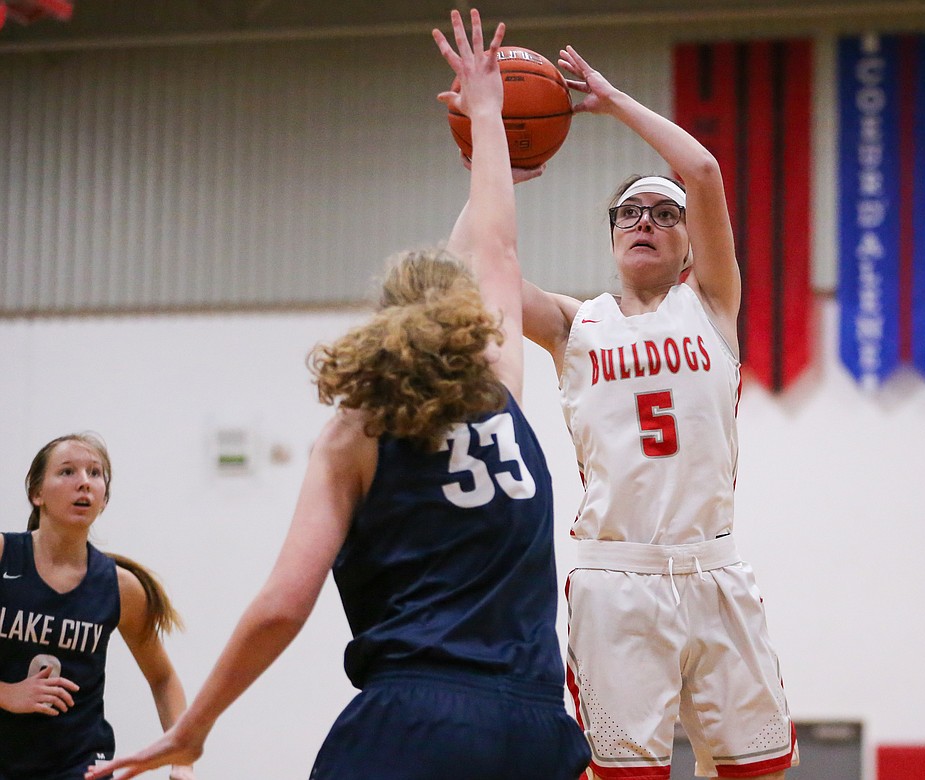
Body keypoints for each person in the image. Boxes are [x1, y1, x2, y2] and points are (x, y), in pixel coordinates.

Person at [87, 9, 590, 780]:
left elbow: (283, 605)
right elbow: (498, 248)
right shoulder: (503, 390)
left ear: (385, 322)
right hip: (536, 727)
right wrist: (490, 127)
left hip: (414, 718)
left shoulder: (353, 432)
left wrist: (194, 726)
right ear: (473, 327)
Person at [519, 46, 798, 779]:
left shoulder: (710, 306)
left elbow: (702, 171)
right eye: (630, 212)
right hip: (617, 576)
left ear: (687, 245)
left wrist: (613, 103)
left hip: (714, 567)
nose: (646, 220)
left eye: (664, 214)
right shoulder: (571, 325)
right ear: (613, 236)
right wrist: (499, 157)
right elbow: (484, 268)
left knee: (758, 771)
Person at [0, 432, 195, 780]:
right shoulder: (4, 557)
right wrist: (6, 693)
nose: (84, 483)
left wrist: (182, 760)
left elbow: (163, 678)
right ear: (36, 493)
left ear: (104, 499)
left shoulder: (120, 587)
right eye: (67, 472)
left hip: (79, 763)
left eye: (95, 473)